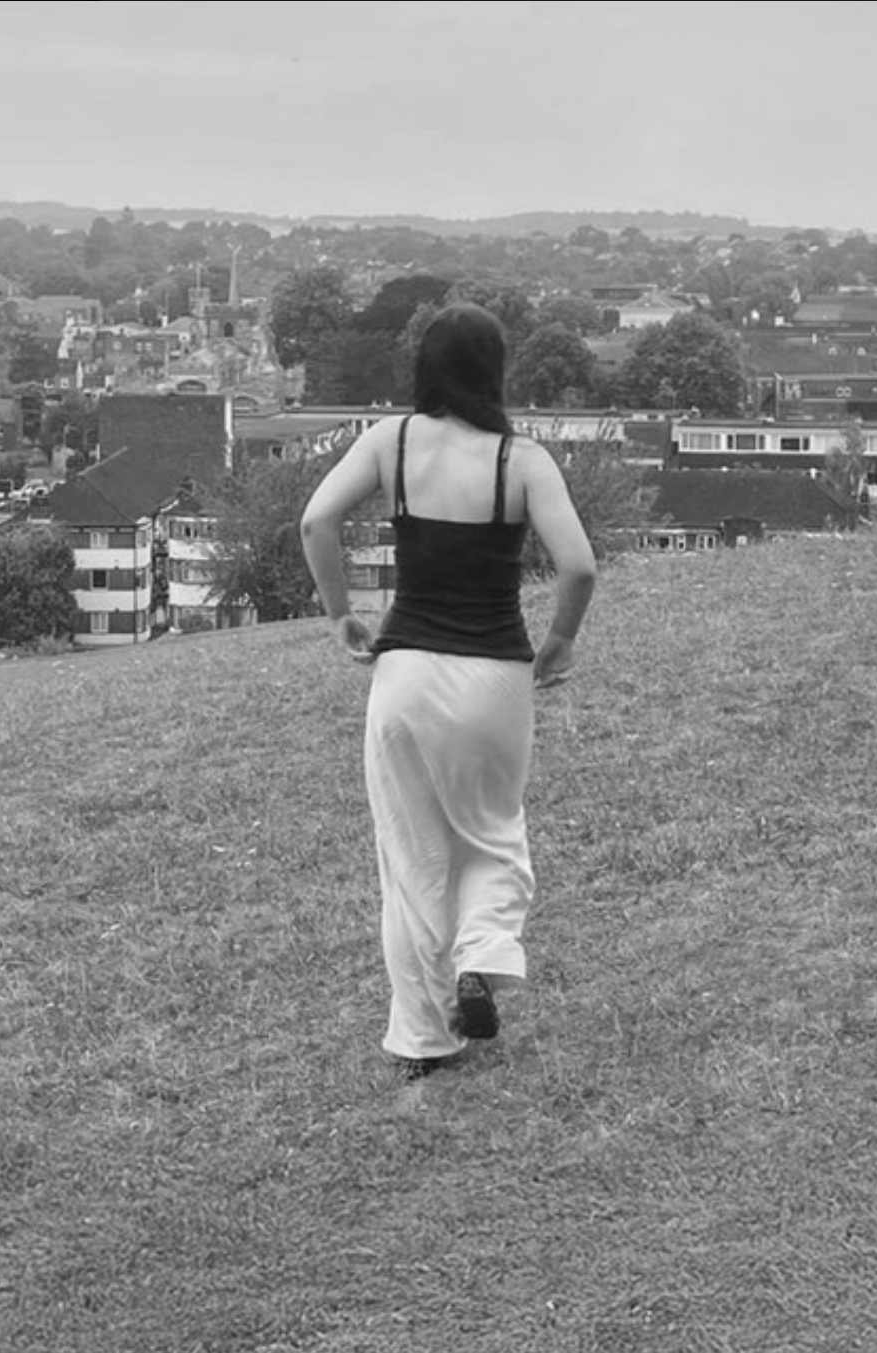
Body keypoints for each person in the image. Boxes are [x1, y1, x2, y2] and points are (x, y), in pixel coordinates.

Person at [300, 302, 596, 1081]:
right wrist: (560, 639)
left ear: (423, 369)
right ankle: (485, 953)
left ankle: (424, 1042)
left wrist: (340, 615)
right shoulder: (521, 460)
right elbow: (580, 566)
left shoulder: (389, 441)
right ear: (495, 372)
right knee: (495, 833)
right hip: (495, 671)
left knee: (412, 861)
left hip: (403, 674)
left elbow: (315, 521)